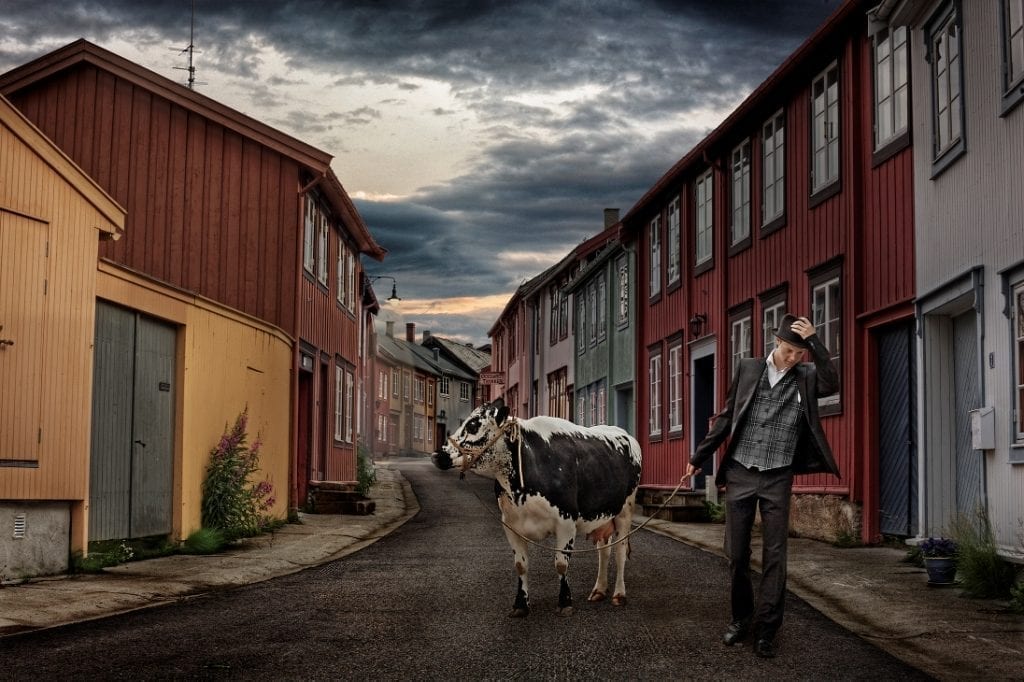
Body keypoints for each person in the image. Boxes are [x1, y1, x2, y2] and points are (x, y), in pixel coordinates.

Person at [685, 314, 840, 659]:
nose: (793, 358)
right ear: (776, 344)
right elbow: (726, 416)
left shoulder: (807, 376)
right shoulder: (749, 369)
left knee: (775, 555)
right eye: (789, 351)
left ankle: (767, 629)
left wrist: (815, 342)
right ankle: (741, 619)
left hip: (778, 475)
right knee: (737, 554)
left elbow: (833, 383)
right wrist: (698, 458)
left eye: (799, 353)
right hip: (741, 472)